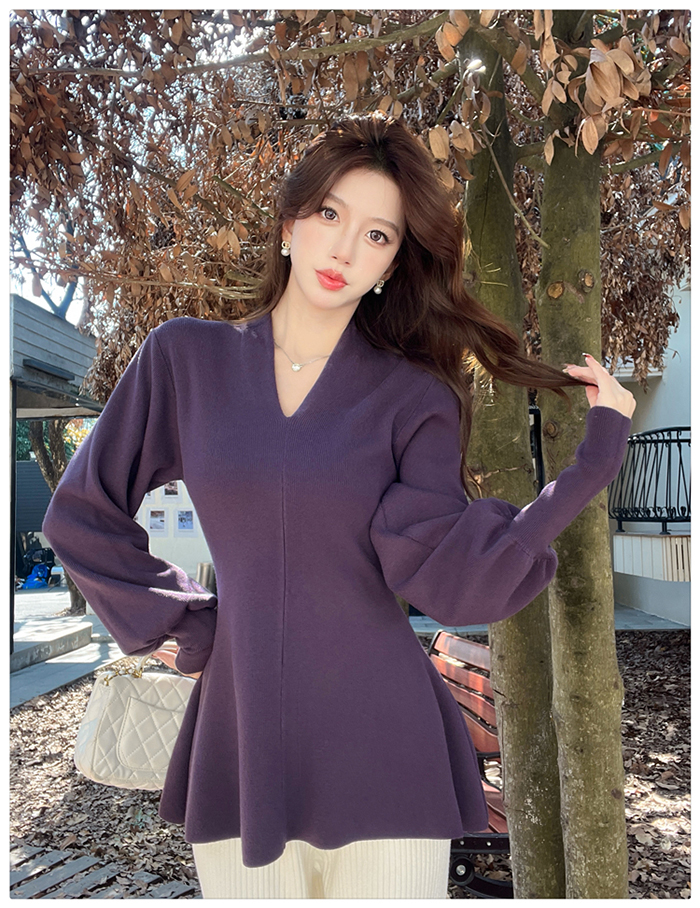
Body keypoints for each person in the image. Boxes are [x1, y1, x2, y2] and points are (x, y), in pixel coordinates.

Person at [42, 112, 635, 899]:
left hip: (386, 743)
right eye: (330, 214)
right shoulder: (185, 360)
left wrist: (592, 465)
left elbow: (451, 583)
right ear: (291, 223)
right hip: (244, 741)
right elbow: (81, 516)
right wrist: (186, 622)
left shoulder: (414, 394)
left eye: (378, 235)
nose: (347, 248)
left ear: (393, 263)